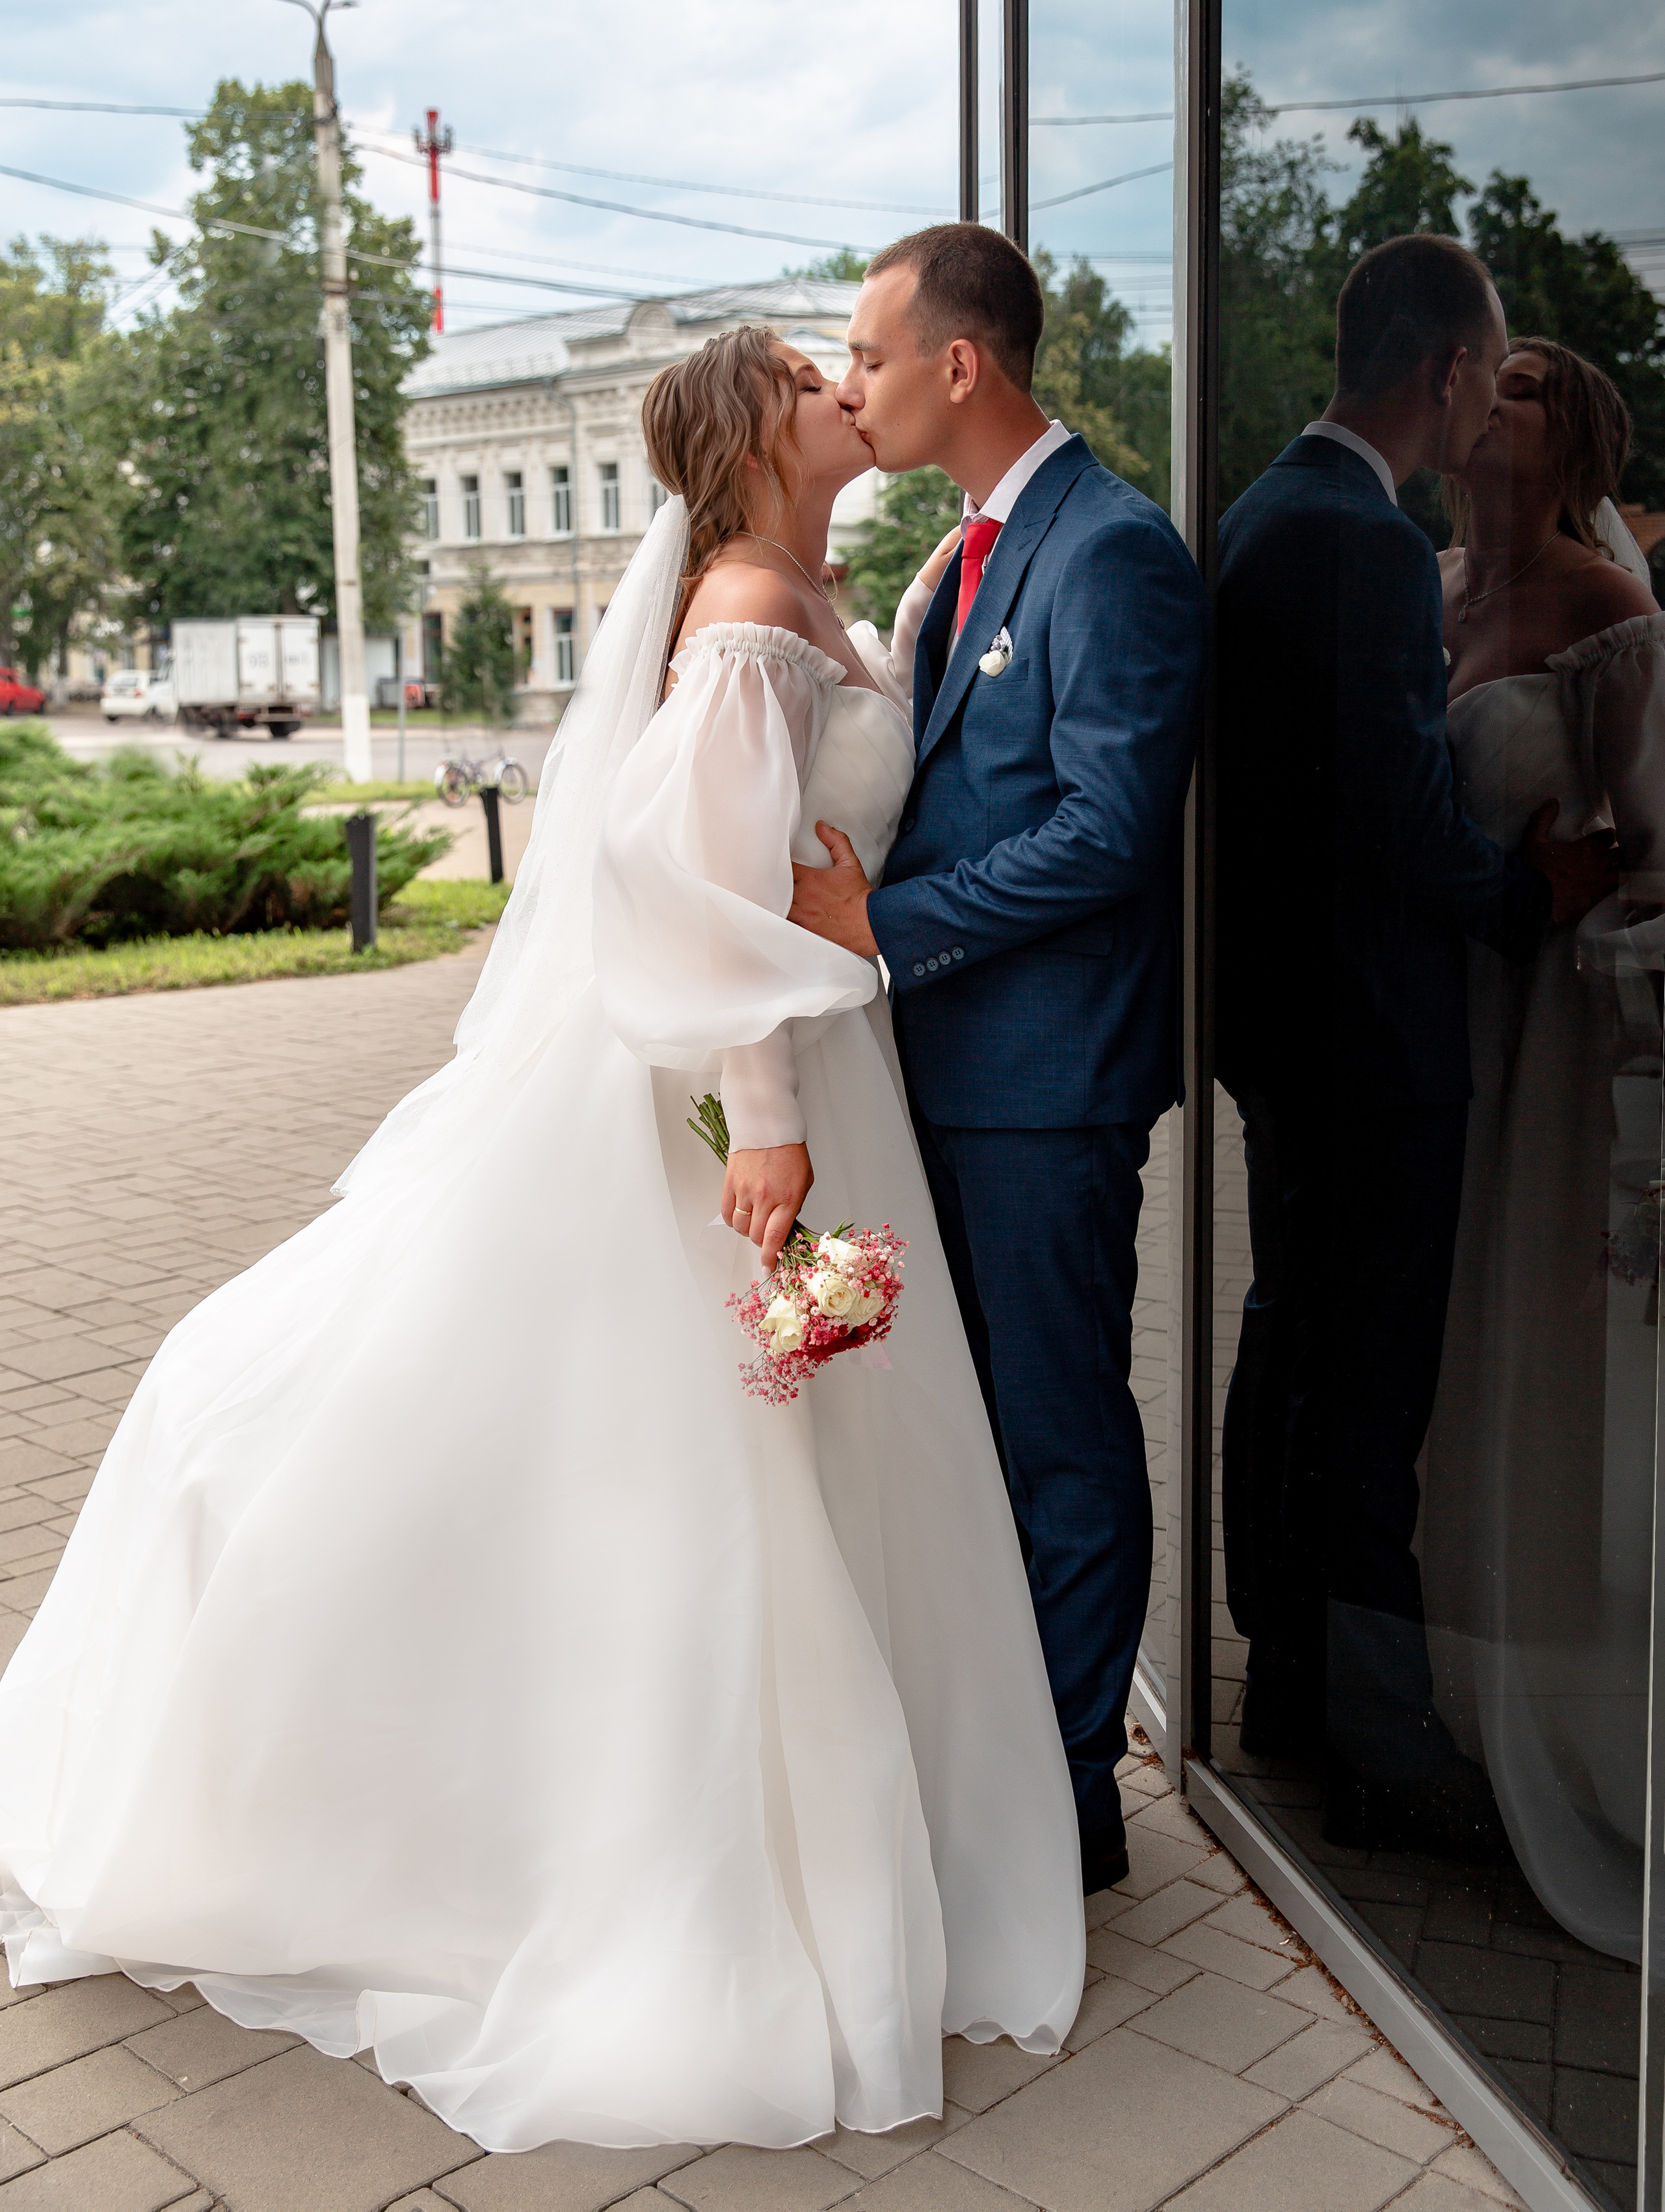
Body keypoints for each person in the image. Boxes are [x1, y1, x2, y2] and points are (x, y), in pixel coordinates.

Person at [0, 328, 1086, 2154]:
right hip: (752, 1093)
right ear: (759, 437)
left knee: (799, 1462)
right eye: (819, 383)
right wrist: (773, 1118)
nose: (847, 390)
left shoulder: (823, 588)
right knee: (699, 1470)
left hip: (833, 1053)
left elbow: (828, 830)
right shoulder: (743, 612)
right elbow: (697, 889)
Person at [785, 223, 1211, 1897]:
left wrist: (885, 925)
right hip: (933, 1081)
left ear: (958, 364)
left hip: (1044, 1089)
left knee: (1055, 1433)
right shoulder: (957, 558)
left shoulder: (1109, 552)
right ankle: (986, 1770)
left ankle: (1068, 1805)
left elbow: (1109, 831)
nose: (852, 384)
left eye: (870, 356)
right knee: (957, 1430)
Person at [1214, 235, 1621, 1858]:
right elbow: (1388, 813)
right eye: (1490, 365)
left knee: (1287, 1356)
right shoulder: (1364, 545)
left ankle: (1282, 1686)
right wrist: (1527, 899)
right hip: (1378, 1039)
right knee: (1364, 1393)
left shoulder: (1256, 513)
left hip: (1290, 1029)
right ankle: (1375, 1747)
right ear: (1445, 370)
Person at [1421, 341, 1662, 1953]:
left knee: (1531, 1333)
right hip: (1427, 1017)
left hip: (1557, 1030)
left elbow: (1652, 857)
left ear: (1567, 430)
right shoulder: (1422, 585)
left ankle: (1558, 1701)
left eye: (1515, 384)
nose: (1479, 402)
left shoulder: (1609, 617)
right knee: (1429, 1338)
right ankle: (1437, 1678)